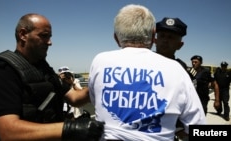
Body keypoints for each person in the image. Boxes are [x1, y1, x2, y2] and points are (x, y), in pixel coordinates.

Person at [88, 4, 205, 141]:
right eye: (162, 36)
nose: (165, 41)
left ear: (116, 38)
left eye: (171, 37)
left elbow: (96, 102)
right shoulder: (177, 70)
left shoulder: (100, 61)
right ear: (153, 36)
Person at [0, 13, 104, 141]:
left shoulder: (44, 69)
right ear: (23, 35)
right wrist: (71, 128)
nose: (50, 42)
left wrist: (101, 86)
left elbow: (74, 98)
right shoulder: (2, 71)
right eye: (44, 36)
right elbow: (8, 132)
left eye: (49, 37)